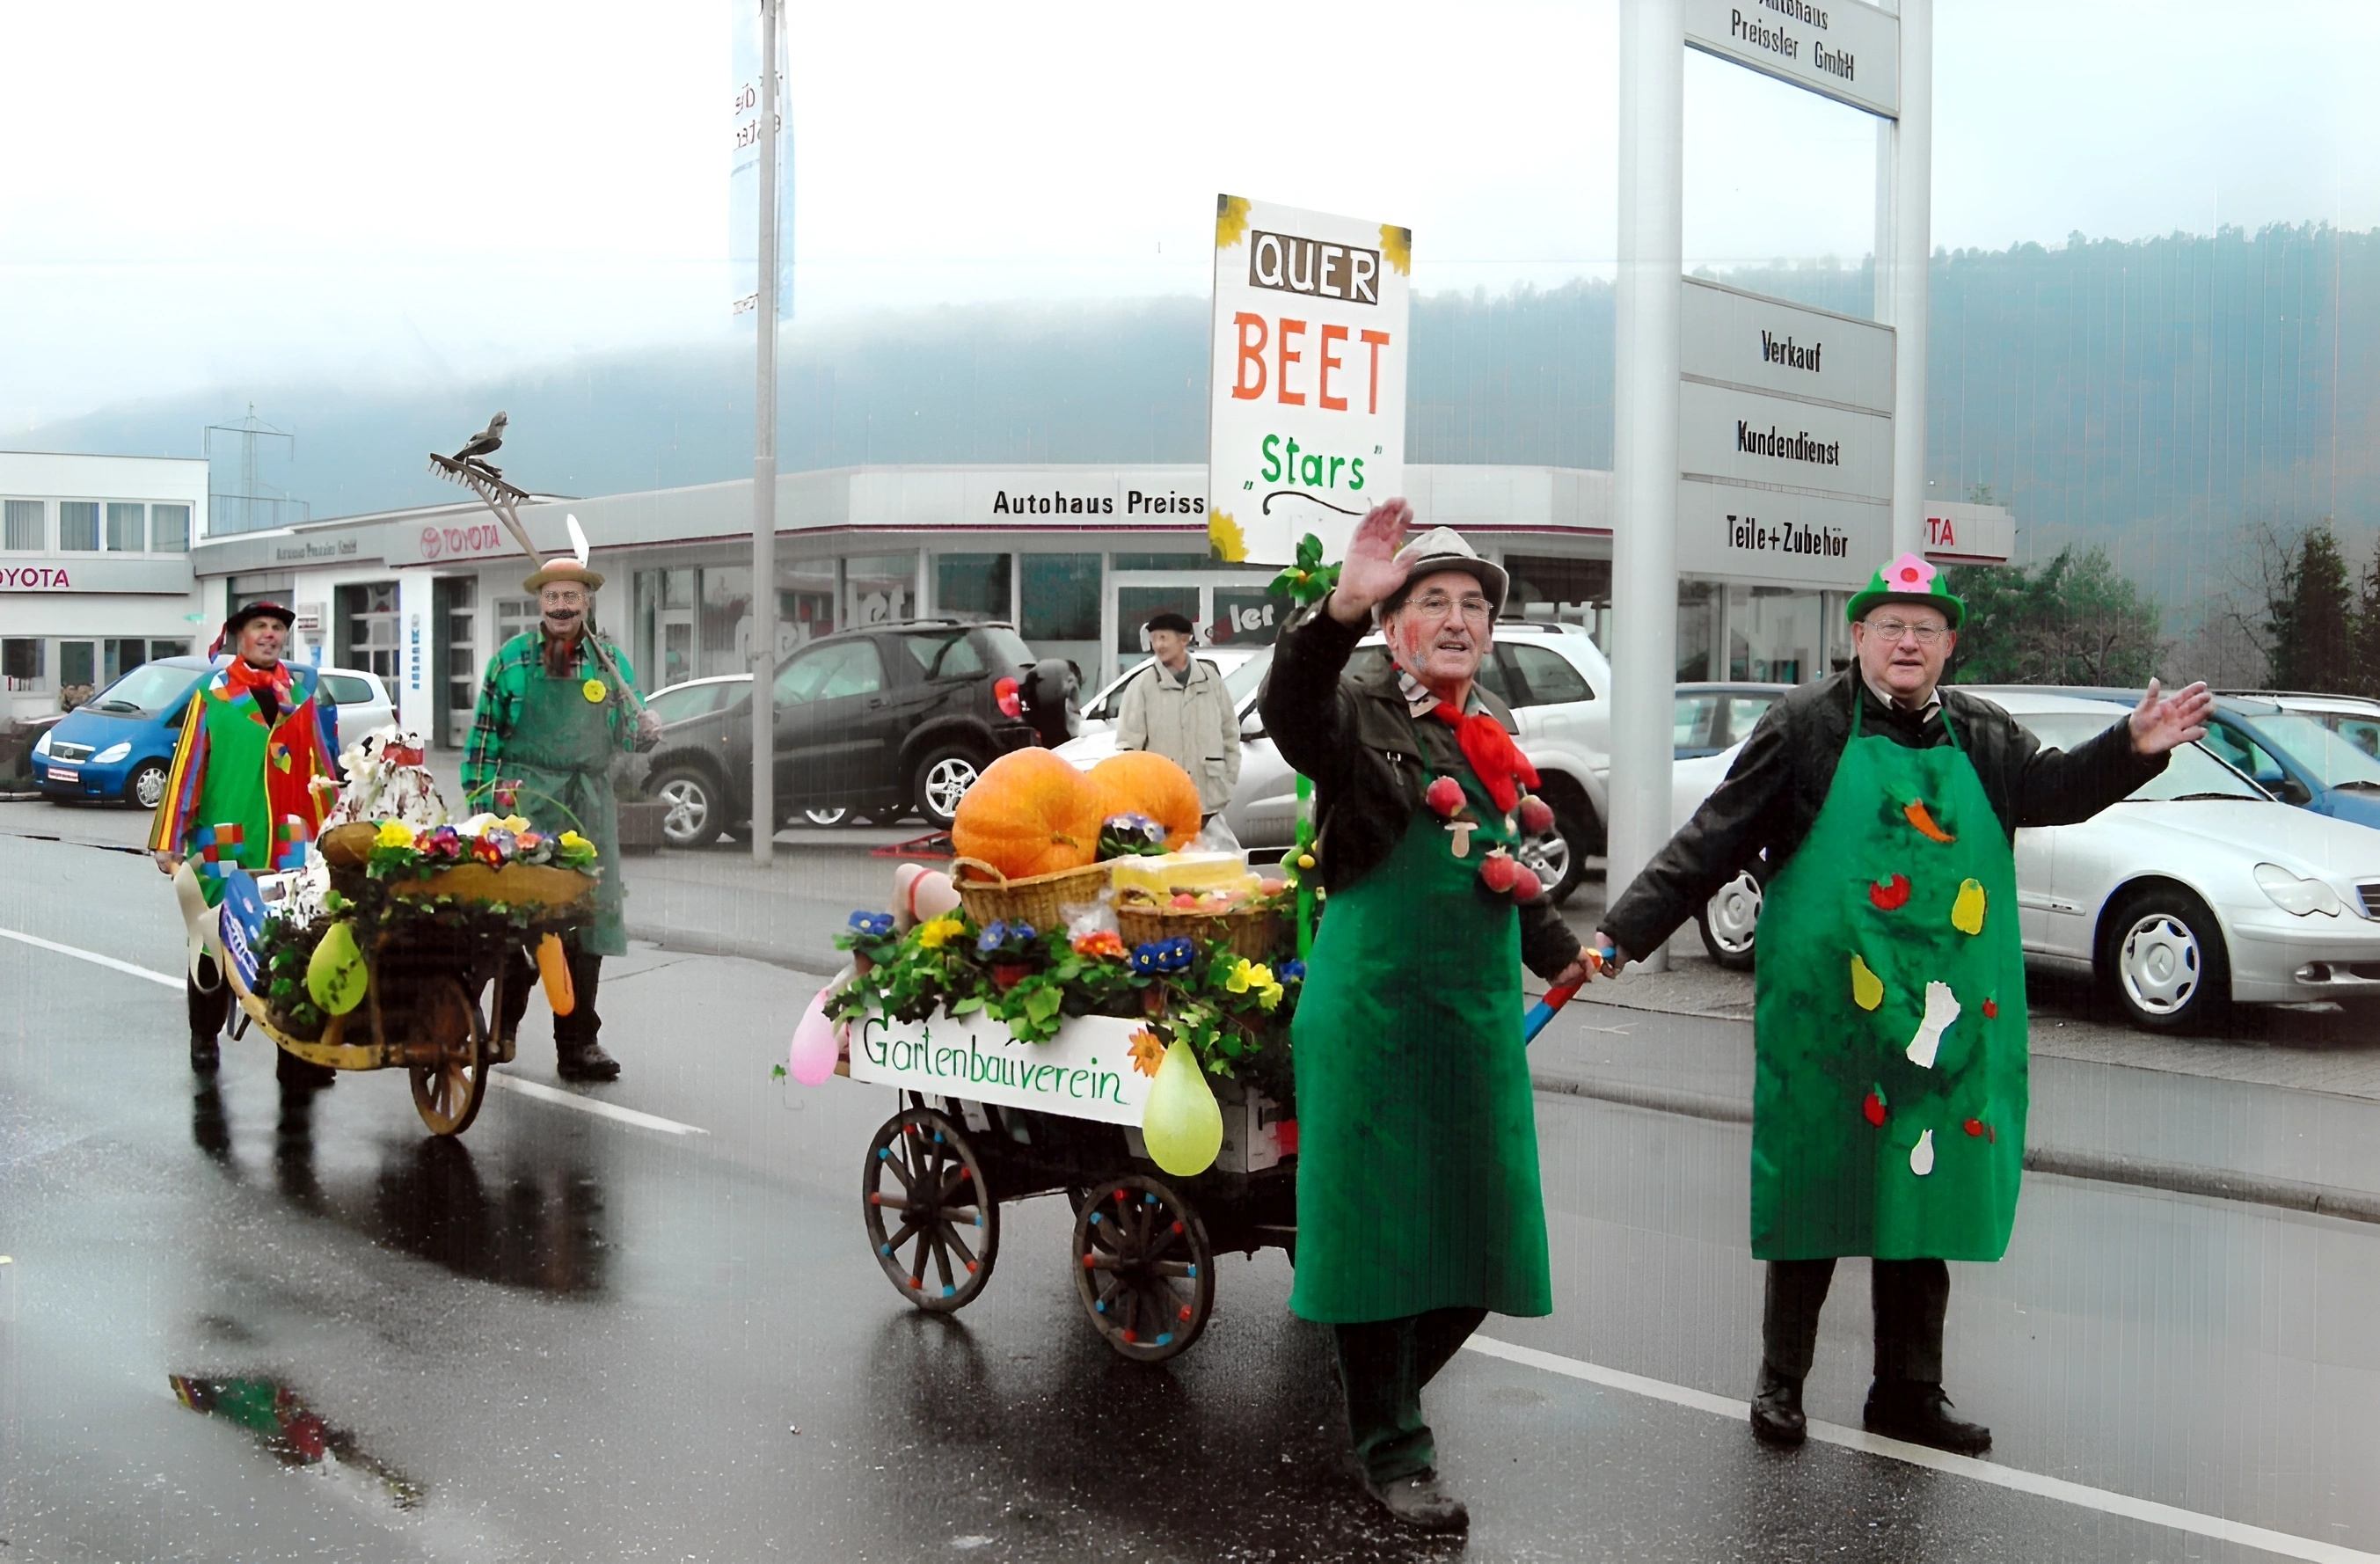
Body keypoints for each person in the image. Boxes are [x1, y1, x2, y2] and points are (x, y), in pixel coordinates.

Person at [1596, 552, 2212, 1454]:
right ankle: (1782, 1382)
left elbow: (2056, 791)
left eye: (1927, 627)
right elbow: (1717, 831)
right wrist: (1623, 931)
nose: (1909, 641)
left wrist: (2130, 748)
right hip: (1828, 1020)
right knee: (1815, 1191)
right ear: (1859, 638)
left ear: (1951, 643)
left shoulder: (1985, 735)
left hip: (1940, 1022)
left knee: (1925, 1196)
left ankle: (1907, 1390)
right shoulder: (1805, 726)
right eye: (1891, 625)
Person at [1259, 501, 1595, 1533]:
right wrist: (1336, 613)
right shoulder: (1358, 703)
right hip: (1372, 1015)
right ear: (1394, 620)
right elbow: (1294, 710)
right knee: (1382, 1245)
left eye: (1473, 605)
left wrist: (1557, 949)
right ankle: (1392, 1445)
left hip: (1471, 1017)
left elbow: (1489, 864)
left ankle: (1374, 1396)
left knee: (1482, 1233)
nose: (1459, 619)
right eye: (1433, 601)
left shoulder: (1483, 724)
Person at [462, 557, 659, 1082]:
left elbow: (627, 735)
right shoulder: (511, 661)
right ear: (540, 603)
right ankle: (496, 1031)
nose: (563, 606)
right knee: (512, 922)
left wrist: (644, 727)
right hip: (525, 799)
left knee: (583, 924)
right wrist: (482, 809)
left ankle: (578, 1044)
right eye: (553, 598)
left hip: (589, 803)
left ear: (587, 602)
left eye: (572, 597)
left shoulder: (608, 662)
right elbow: (484, 738)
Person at [150, 602, 341, 1084]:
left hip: (290, 845)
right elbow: (190, 767)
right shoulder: (212, 695)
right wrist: (170, 838)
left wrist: (333, 835)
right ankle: (204, 1035)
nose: (271, 635)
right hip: (225, 840)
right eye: (261, 627)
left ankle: (294, 1051)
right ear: (239, 635)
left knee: (295, 945)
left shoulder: (299, 696)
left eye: (278, 628)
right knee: (213, 945)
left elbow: (320, 766)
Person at [1115, 610, 1240, 821]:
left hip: (1208, 800)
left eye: (1163, 638)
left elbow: (1230, 733)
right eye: (1154, 639)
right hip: (1161, 805)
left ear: (1184, 639)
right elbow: (1129, 748)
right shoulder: (1142, 685)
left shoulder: (1210, 680)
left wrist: (1227, 782)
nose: (1158, 645)